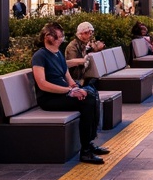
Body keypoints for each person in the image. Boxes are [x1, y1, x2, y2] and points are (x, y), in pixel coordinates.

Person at [31, 23, 107, 164]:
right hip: (49, 99)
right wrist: (70, 90)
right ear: (48, 37)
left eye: (62, 36)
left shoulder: (58, 53)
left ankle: (89, 142)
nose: (62, 39)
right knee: (87, 101)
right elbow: (43, 84)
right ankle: (85, 151)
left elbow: (66, 74)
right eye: (59, 37)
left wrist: (74, 86)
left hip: (63, 93)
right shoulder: (39, 56)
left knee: (92, 94)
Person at [65, 21, 105, 86]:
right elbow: (70, 64)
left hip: (85, 75)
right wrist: (83, 60)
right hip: (77, 78)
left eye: (91, 33)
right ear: (81, 34)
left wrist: (96, 48)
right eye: (88, 33)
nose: (90, 35)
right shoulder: (72, 46)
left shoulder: (85, 44)